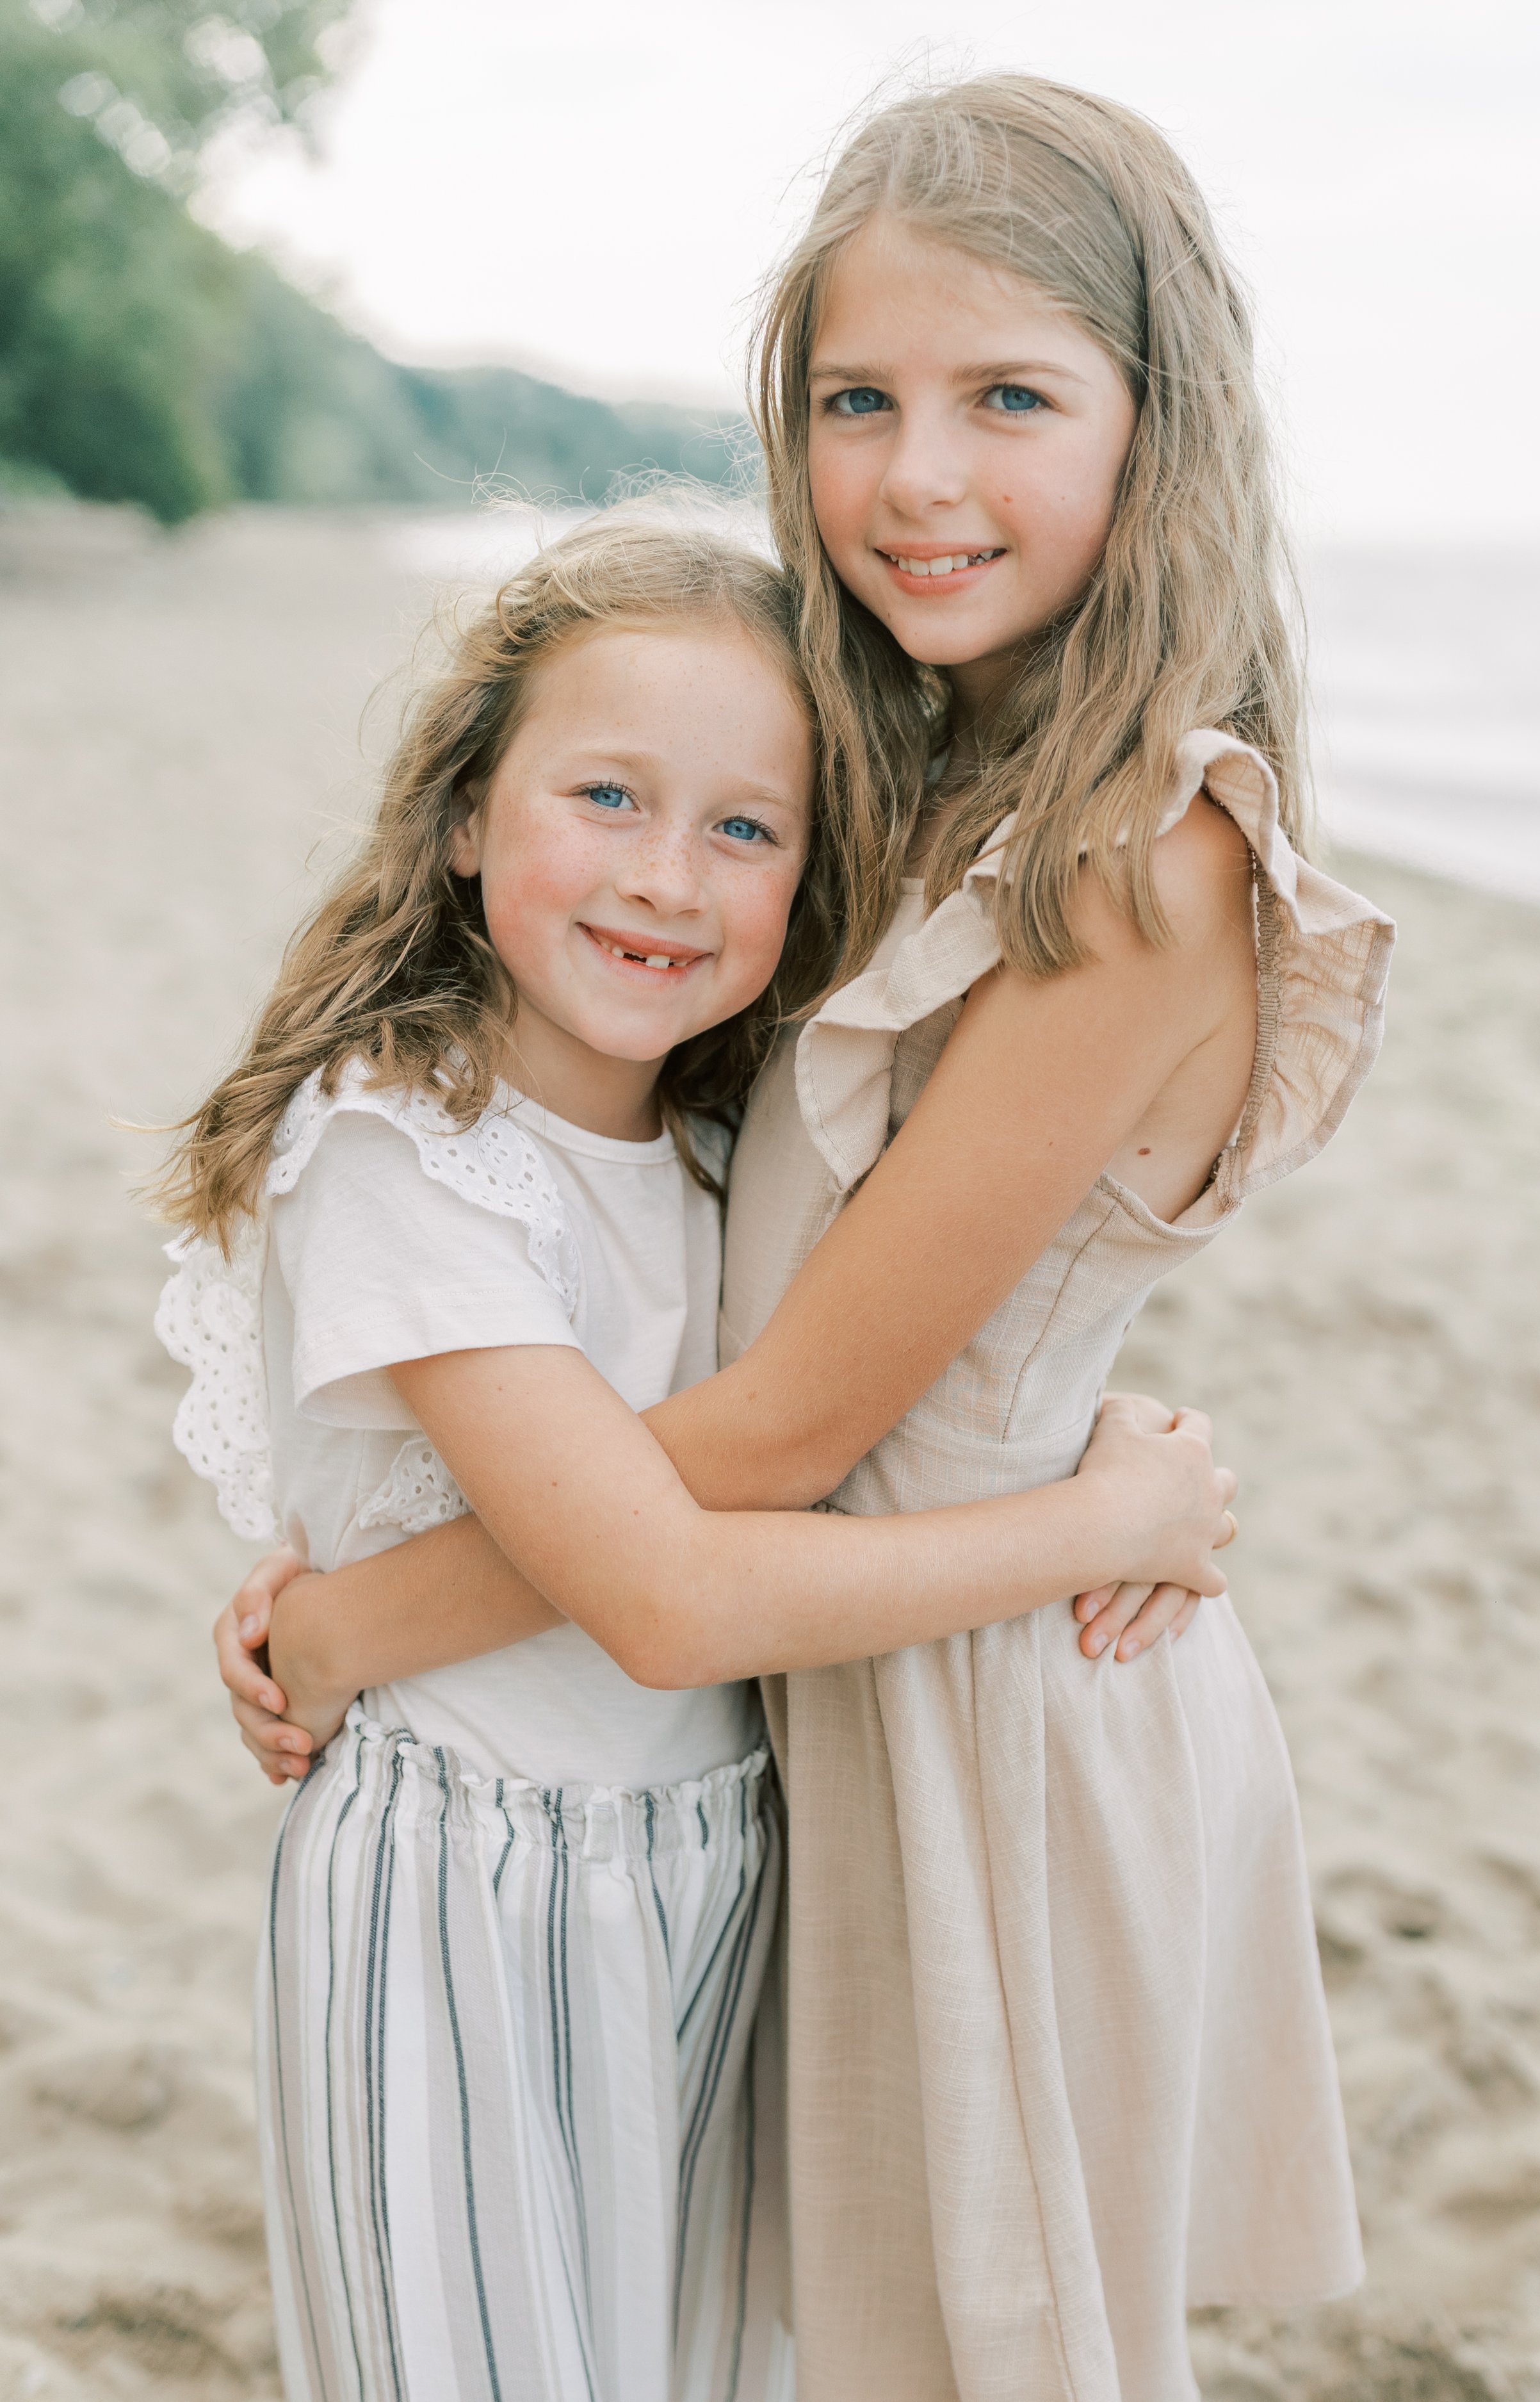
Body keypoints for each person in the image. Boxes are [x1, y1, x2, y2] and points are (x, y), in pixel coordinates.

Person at [157, 509, 1236, 2402]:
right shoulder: (409, 1155)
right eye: (606, 796)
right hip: (459, 1885)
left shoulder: (731, 1158)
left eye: (746, 828)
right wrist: (1087, 1526)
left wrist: (1103, 1421)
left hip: (716, 1861)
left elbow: (851, 1405)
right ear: (468, 811)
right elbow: (663, 1597)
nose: (669, 877)